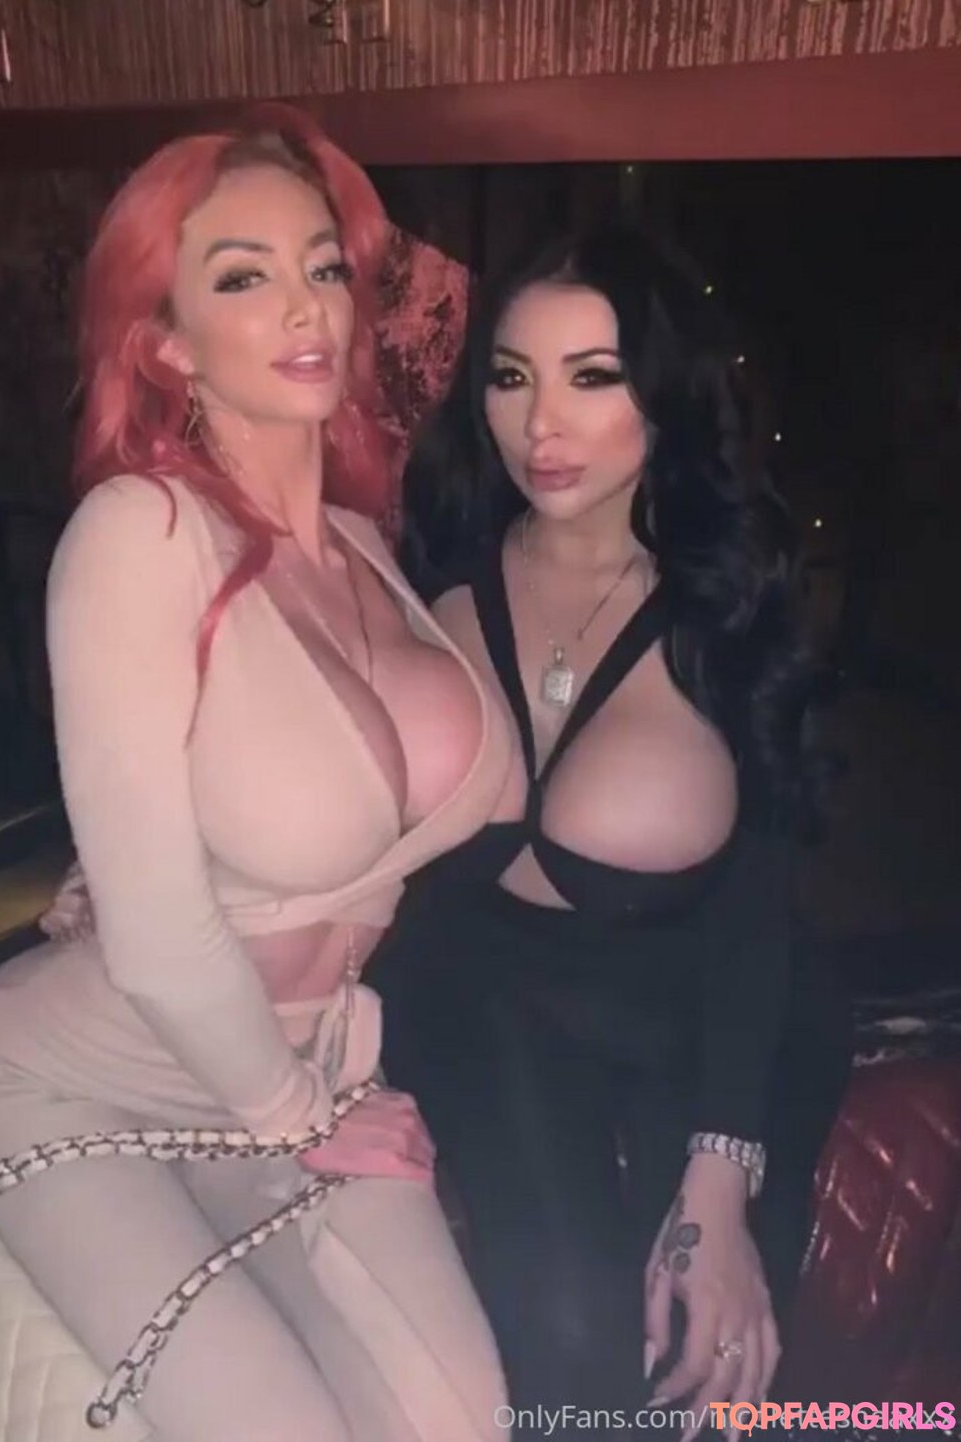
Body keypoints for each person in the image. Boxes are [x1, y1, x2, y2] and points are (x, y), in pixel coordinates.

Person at [0, 105, 515, 1442]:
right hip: (79, 1079)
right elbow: (155, 926)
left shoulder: (366, 544)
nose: (304, 305)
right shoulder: (138, 534)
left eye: (323, 265)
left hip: (306, 1061)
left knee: (463, 1418)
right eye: (242, 276)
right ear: (167, 340)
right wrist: (296, 1115)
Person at [366, 223, 853, 1434]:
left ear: (665, 395)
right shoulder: (425, 569)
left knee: (707, 1356)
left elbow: (761, 908)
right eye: (512, 375)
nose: (542, 424)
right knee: (573, 1337)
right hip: (480, 999)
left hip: (703, 1011)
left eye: (593, 376)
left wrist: (721, 1177)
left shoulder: (732, 599)